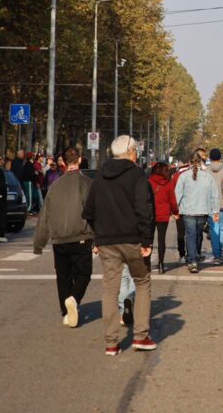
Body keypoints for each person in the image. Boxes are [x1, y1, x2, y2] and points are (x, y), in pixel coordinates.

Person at [82, 135, 156, 355]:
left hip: (107, 241)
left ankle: (111, 342)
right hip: (133, 239)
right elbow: (144, 209)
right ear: (131, 151)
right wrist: (147, 240)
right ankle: (141, 336)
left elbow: (88, 211)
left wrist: (97, 236)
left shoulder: (100, 176)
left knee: (110, 289)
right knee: (142, 282)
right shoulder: (137, 174)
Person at [32, 148, 93, 328]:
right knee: (83, 274)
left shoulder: (55, 186)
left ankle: (66, 313)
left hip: (59, 239)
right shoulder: (86, 183)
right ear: (79, 160)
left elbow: (45, 215)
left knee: (63, 276)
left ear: (64, 163)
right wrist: (98, 237)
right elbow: (93, 212)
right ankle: (74, 299)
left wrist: (39, 243)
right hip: (81, 235)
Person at [174, 149, 220, 273]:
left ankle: (193, 260)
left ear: (189, 162)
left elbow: (177, 195)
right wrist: (215, 211)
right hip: (203, 211)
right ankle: (195, 256)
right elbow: (214, 195)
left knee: (190, 236)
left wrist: (174, 210)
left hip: (188, 211)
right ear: (201, 162)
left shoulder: (183, 176)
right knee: (198, 235)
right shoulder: (208, 177)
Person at [148, 162, 178, 274]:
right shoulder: (168, 184)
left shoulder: (148, 182)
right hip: (163, 214)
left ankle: (147, 264)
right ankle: (161, 264)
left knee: (149, 239)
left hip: (150, 214)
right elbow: (172, 201)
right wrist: (175, 212)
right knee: (161, 240)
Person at [206, 148, 223, 265]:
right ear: (220, 157)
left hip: (211, 206)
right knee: (221, 229)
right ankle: (219, 252)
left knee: (214, 229)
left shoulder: (206, 172)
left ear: (210, 158)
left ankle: (216, 255)